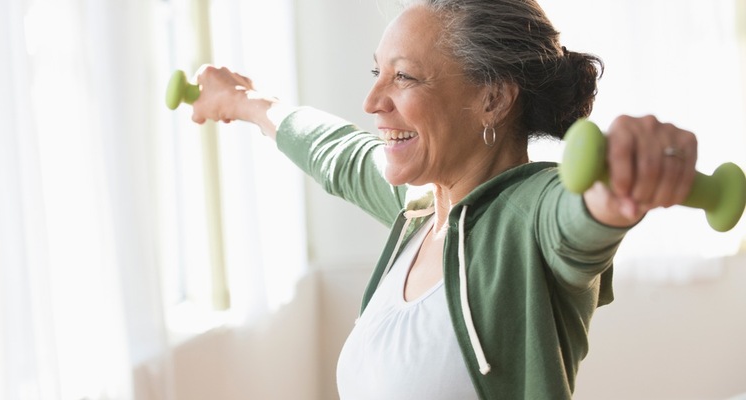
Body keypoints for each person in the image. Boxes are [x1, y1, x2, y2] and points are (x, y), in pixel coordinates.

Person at [189, 0, 698, 398]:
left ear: (492, 99)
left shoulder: (527, 217)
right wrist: (242, 102)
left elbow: (577, 216)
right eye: (377, 74)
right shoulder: (422, 210)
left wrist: (621, 187)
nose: (372, 102)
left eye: (404, 76)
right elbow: (337, 154)